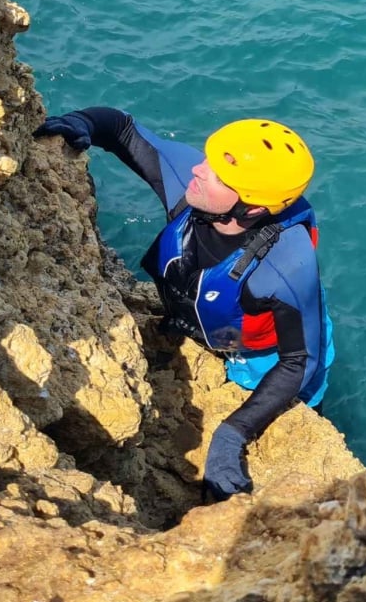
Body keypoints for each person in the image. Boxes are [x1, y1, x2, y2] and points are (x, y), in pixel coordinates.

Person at [35, 107, 333, 500]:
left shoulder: (286, 265)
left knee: (296, 411)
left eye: (218, 174)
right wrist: (81, 123)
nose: (198, 170)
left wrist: (232, 435)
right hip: (203, 327)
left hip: (265, 353)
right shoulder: (195, 195)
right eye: (209, 159)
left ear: (253, 207)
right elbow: (122, 129)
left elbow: (301, 360)